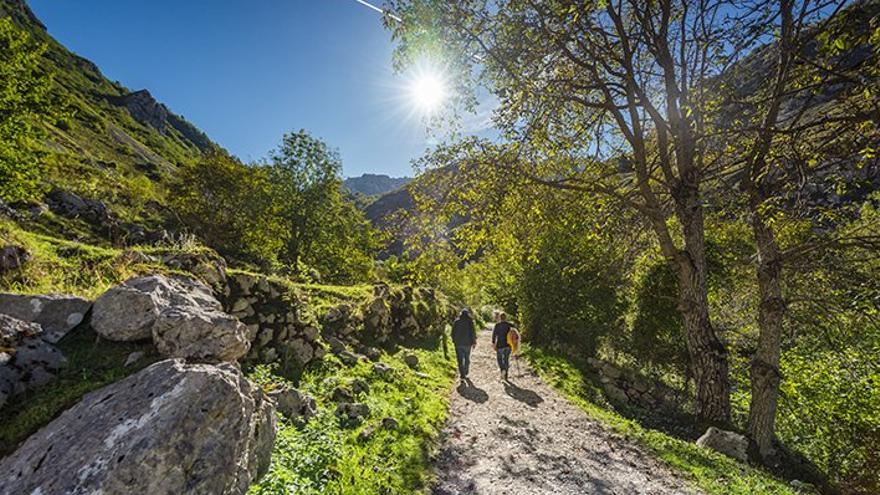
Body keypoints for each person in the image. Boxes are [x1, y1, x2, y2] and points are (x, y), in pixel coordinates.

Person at [451, 309, 477, 382]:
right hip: (467, 343)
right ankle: (466, 371)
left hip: (458, 343)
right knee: (467, 358)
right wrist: (474, 342)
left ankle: (462, 375)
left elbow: (453, 332)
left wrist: (454, 340)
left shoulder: (456, 321)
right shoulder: (470, 322)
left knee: (460, 359)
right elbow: (473, 332)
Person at [492, 312, 515, 381]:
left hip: (500, 345)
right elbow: (515, 332)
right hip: (508, 345)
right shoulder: (510, 325)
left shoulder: (497, 325)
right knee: (506, 360)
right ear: (506, 318)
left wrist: (493, 343)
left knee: (499, 359)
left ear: (500, 317)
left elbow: (494, 335)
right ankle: (506, 376)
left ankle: (503, 369)